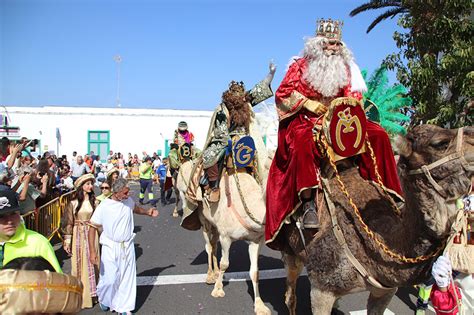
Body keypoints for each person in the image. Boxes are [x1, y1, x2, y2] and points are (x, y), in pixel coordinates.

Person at [265, 19, 403, 249]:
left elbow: (355, 97)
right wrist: (307, 103)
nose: (334, 48)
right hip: (308, 119)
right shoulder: (300, 66)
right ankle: (308, 201)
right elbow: (282, 95)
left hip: (340, 120)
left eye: (338, 44)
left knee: (377, 134)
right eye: (330, 43)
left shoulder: (347, 68)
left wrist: (347, 105)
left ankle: (386, 189)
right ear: (318, 43)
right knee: (302, 141)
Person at [186, 62, 275, 205]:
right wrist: (227, 141)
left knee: (265, 160)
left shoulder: (246, 103)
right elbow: (219, 130)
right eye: (236, 96)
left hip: (246, 138)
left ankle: (265, 188)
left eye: (241, 96)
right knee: (210, 155)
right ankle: (213, 186)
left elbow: (259, 90)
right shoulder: (223, 109)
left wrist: (271, 74)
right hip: (226, 139)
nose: (239, 98)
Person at [87, 178, 158, 314]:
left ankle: (124, 308)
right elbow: (92, 227)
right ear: (116, 192)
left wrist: (147, 212)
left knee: (127, 278)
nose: (128, 194)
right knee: (110, 279)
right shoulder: (104, 206)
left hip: (127, 245)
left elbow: (136, 209)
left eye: (128, 192)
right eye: (125, 192)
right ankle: (105, 298)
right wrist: (92, 252)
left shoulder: (128, 201)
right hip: (110, 246)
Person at [61, 173, 99, 309]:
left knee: (93, 262)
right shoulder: (73, 203)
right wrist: (67, 240)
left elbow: (100, 221)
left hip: (92, 233)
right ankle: (80, 296)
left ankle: (93, 295)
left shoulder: (96, 202)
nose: (90, 186)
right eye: (87, 184)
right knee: (78, 264)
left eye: (91, 183)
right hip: (78, 234)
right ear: (81, 187)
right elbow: (68, 222)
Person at [0, 188, 61, 272]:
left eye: (13, 214)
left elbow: (57, 281)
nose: (9, 221)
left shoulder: (38, 242)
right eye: (1, 216)